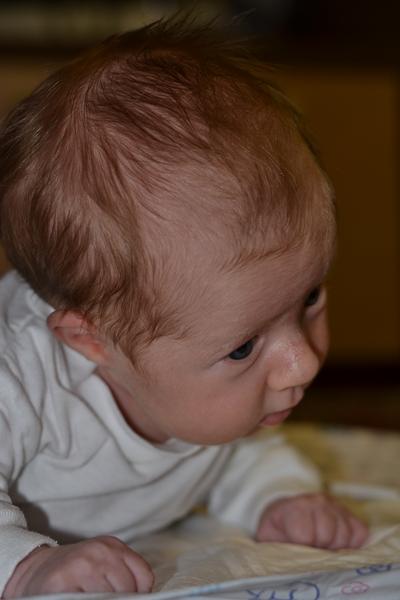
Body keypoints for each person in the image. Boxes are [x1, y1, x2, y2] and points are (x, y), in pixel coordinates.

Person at [0, 17, 368, 597]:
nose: (303, 363)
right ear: (91, 340)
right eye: (243, 348)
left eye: (310, 297)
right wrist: (24, 565)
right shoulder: (20, 378)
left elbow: (232, 445)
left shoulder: (204, 366)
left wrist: (279, 495)